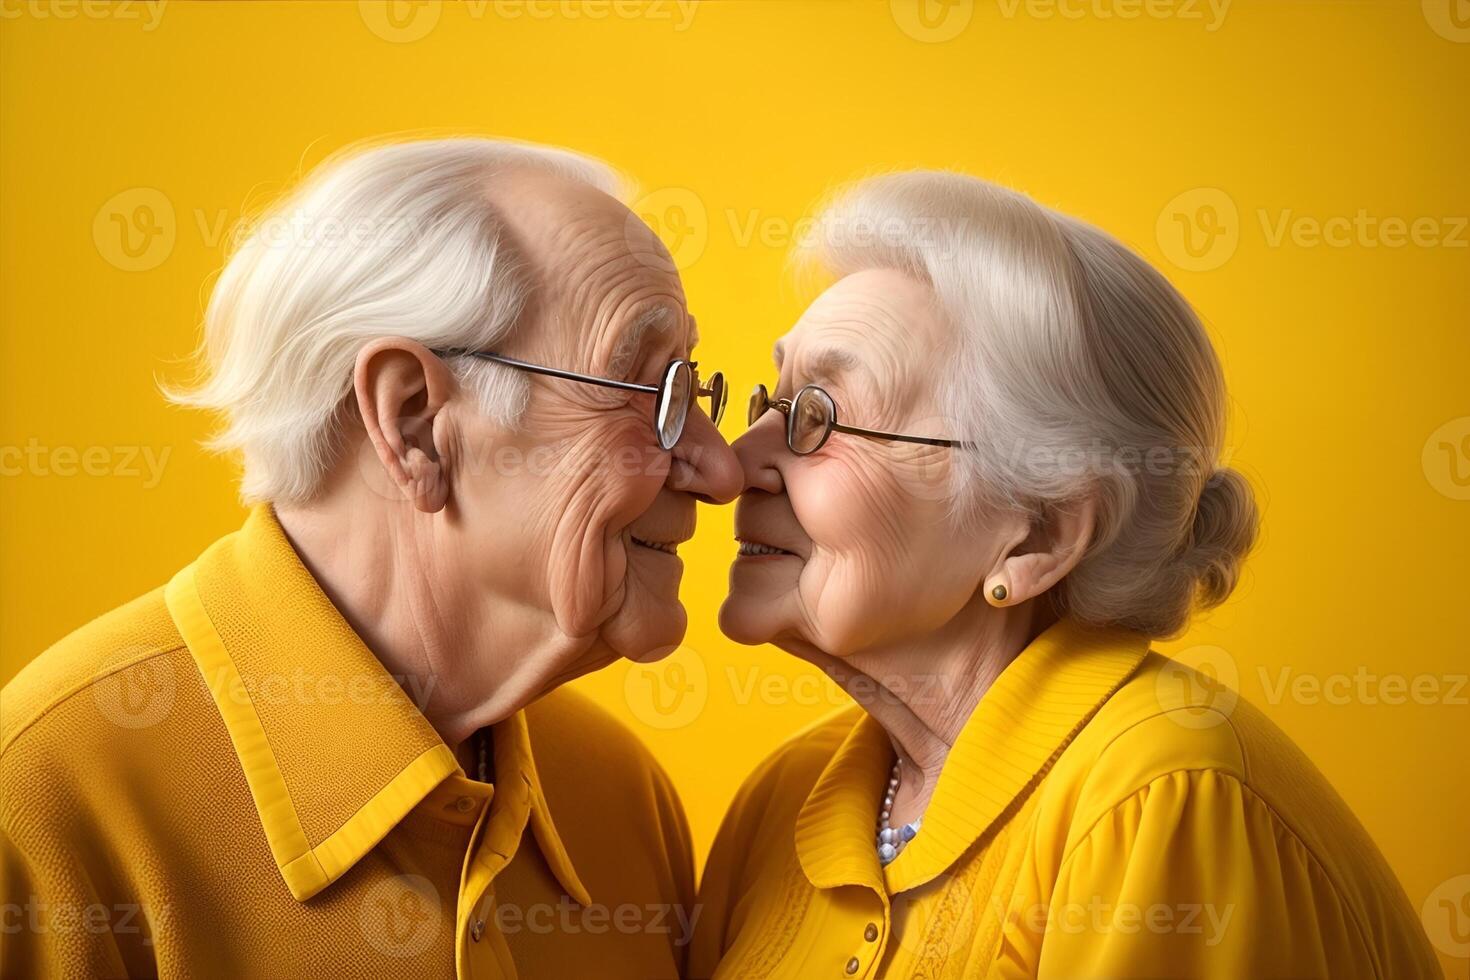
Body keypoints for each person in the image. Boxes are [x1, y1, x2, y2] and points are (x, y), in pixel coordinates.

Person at [0, 138, 741, 978]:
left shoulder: (621, 801)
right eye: (652, 393)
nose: (722, 469)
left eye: (694, 388)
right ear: (415, 421)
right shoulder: (40, 809)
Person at [692, 171, 1438, 978]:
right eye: (772, 401)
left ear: (1037, 535)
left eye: (819, 417)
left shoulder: (1161, 797)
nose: (736, 464)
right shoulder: (783, 801)